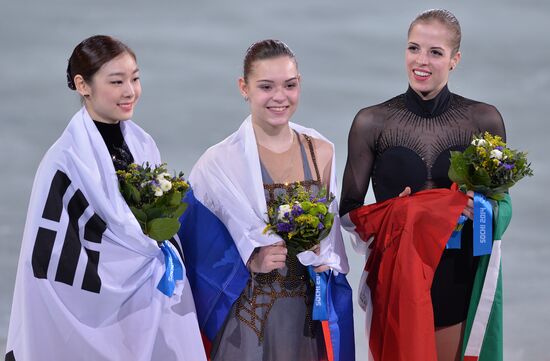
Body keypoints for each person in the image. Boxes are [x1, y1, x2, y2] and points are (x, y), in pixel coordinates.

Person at [5, 35, 206, 361]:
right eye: (117, 81)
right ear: (83, 85)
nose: (130, 91)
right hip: (94, 306)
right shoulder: (65, 161)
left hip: (147, 295)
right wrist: (131, 256)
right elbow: (48, 259)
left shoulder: (142, 144)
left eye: (135, 78)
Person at [339, 9, 506, 361]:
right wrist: (394, 213)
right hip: (398, 281)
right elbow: (350, 215)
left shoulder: (483, 120)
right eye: (414, 48)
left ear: (454, 59)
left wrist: (477, 209)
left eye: (435, 52)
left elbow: (500, 208)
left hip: (457, 280)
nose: (421, 61)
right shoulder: (371, 123)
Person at [178, 39, 354, 361]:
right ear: (243, 87)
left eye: (289, 85)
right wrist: (249, 259)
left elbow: (332, 243)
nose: (279, 97)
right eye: (266, 86)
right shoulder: (216, 163)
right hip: (247, 322)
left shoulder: (322, 152)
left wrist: (322, 253)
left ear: (299, 84)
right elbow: (195, 250)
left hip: (308, 321)